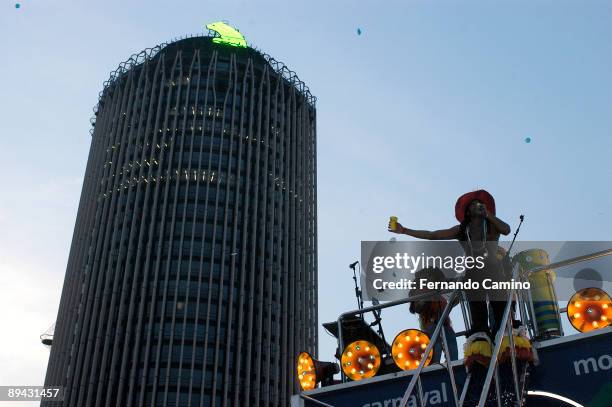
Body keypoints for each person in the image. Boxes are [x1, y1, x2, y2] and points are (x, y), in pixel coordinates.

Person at [388, 190, 511, 376]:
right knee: (478, 314)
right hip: (474, 272)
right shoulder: (461, 230)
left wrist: (489, 215)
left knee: (499, 309)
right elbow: (432, 235)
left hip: (493, 269)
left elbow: (506, 229)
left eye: (480, 204)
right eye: (473, 205)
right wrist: (405, 231)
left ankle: (504, 342)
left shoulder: (491, 225)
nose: (477, 206)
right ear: (467, 212)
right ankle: (482, 347)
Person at [409, 267, 458, 364]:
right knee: (436, 342)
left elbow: (447, 282)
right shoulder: (420, 289)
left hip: (443, 322)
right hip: (429, 322)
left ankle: (452, 363)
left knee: (450, 338)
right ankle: (435, 364)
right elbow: (415, 307)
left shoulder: (438, 292)